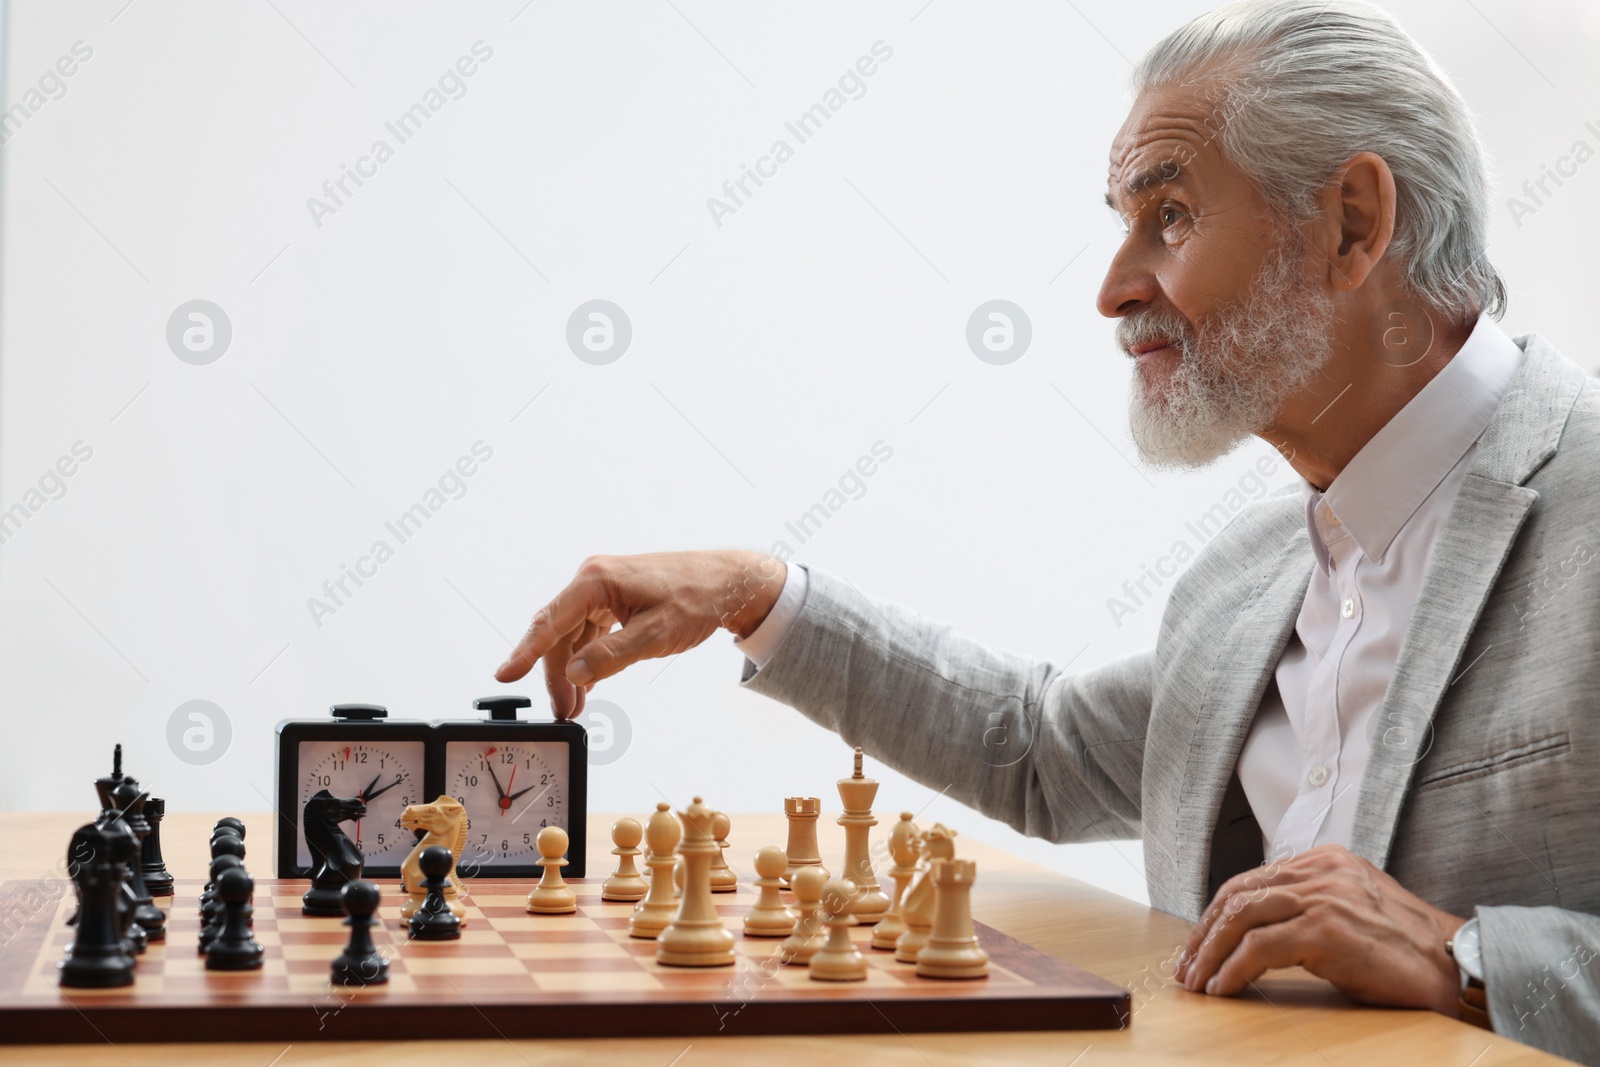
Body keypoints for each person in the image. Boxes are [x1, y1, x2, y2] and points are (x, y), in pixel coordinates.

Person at [494, 1, 1600, 1059]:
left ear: (1352, 223)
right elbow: (1040, 753)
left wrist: (1467, 956)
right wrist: (757, 591)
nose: (1114, 289)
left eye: (1167, 215)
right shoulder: (1242, 581)